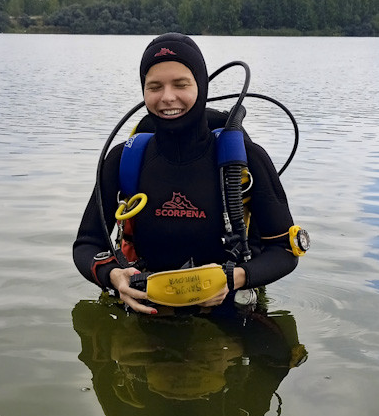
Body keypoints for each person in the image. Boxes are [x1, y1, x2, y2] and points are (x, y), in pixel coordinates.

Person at [73, 32, 299, 314]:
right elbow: (86, 245)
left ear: (201, 86)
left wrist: (233, 278)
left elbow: (285, 251)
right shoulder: (124, 159)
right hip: (146, 312)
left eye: (180, 84)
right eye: (154, 86)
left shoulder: (245, 161)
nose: (167, 98)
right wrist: (113, 276)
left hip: (230, 312)